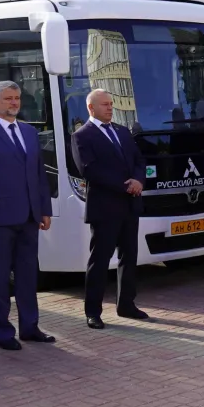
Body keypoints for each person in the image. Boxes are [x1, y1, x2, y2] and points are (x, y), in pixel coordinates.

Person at [0, 80, 54, 350]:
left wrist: (45, 209)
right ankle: (3, 333)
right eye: (8, 98)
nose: (14, 103)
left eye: (17, 98)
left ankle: (30, 327)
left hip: (29, 217)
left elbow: (39, 174)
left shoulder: (29, 132)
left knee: (28, 276)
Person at [71, 88, 149, 329]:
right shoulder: (82, 136)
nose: (110, 108)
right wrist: (126, 186)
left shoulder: (122, 131)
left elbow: (139, 160)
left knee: (129, 256)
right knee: (100, 260)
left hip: (130, 205)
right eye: (104, 104)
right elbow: (89, 170)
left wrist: (139, 181)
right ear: (91, 108)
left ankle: (126, 304)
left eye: (111, 104)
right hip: (105, 208)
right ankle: (93, 312)